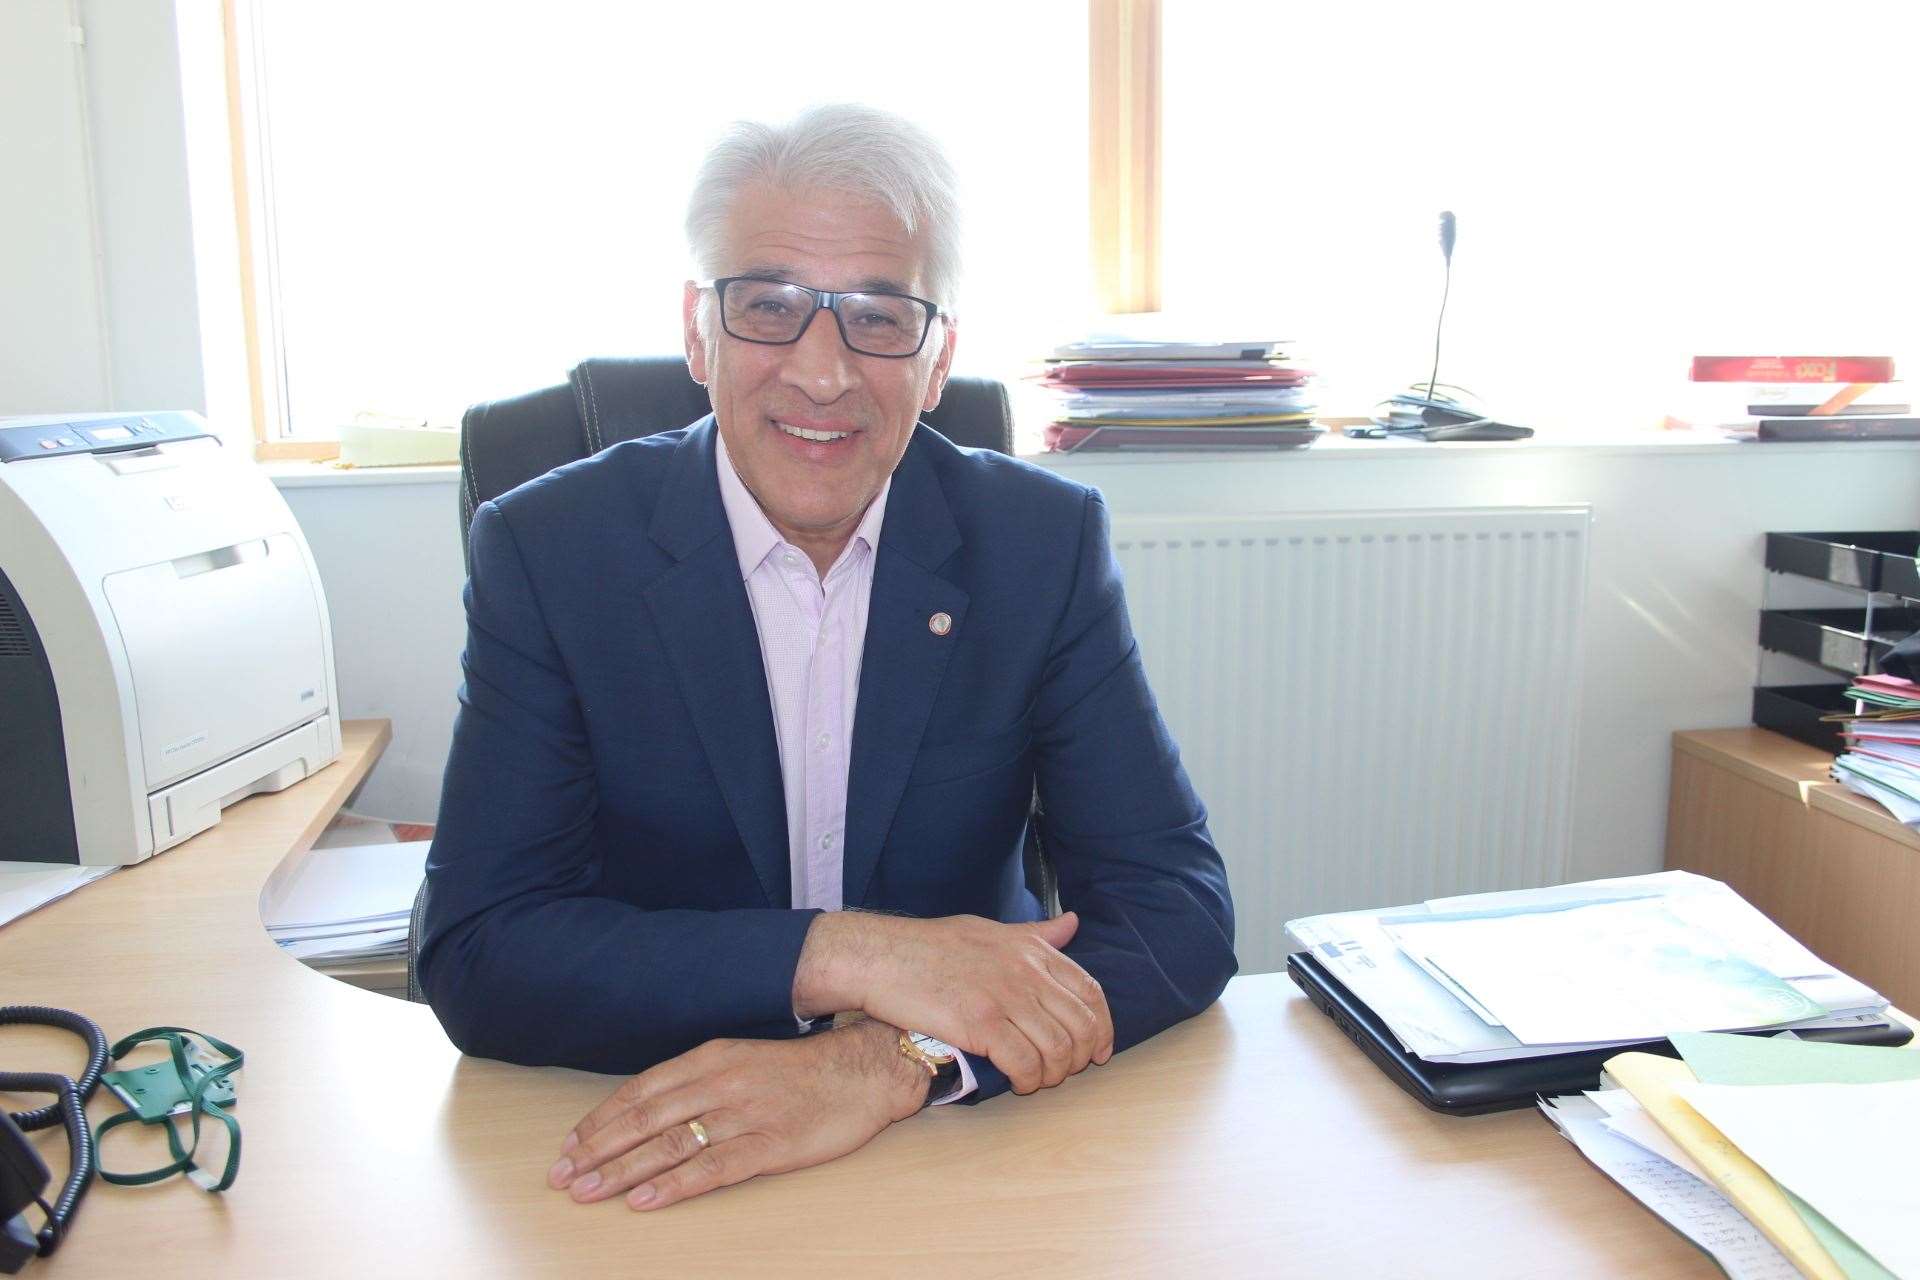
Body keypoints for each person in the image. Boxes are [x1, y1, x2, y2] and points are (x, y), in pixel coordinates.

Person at [417, 103, 1235, 1213]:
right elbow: (480, 946)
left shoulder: (1038, 547)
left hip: (954, 1147)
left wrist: (892, 1059)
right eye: (769, 306)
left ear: (938, 357)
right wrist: (849, 956)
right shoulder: (550, 552)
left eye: (878, 317)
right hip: (658, 1132)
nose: (821, 371)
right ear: (700, 334)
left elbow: (1174, 907)